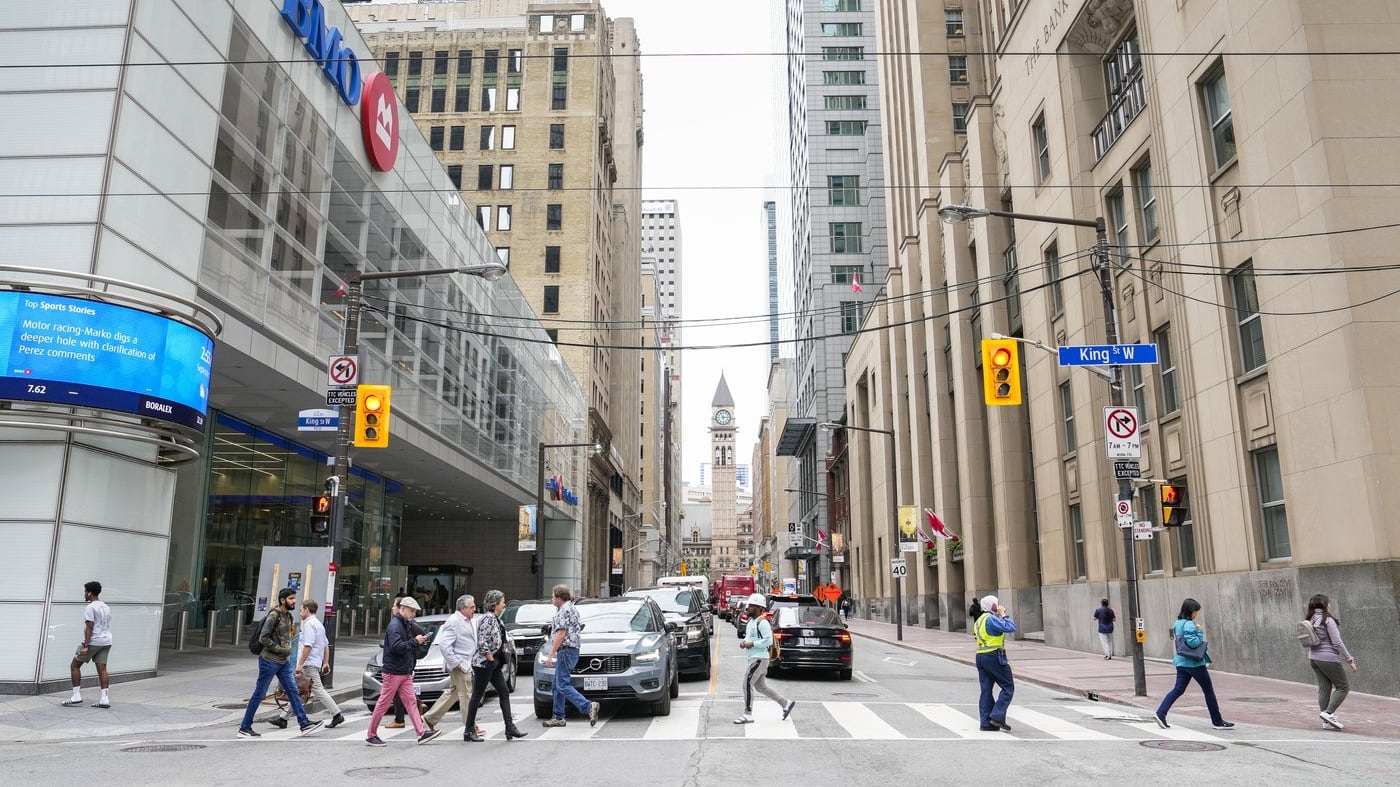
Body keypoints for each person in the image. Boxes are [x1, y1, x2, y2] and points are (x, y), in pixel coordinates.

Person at [238, 588, 324, 738]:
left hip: (283, 662)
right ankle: (244, 728)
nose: (294, 601)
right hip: (269, 661)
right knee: (259, 694)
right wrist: (280, 649)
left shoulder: (289, 616)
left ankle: (304, 723)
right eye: (291, 598)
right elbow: (263, 638)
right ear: (283, 600)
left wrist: (287, 652)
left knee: (293, 691)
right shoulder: (274, 615)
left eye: (294, 598)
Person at [365, 597, 443, 746]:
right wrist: (415, 641)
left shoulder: (403, 624)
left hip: (401, 671)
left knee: (410, 702)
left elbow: (399, 646)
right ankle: (371, 734)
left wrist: (415, 642)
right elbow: (397, 647)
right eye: (412, 611)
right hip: (394, 671)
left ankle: (421, 733)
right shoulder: (396, 625)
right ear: (403, 609)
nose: (413, 614)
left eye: (414, 611)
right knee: (384, 703)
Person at [1152, 598, 1234, 730]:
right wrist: (1200, 631)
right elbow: (1194, 643)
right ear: (1190, 611)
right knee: (1208, 691)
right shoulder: (1189, 624)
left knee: (1178, 689)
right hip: (1194, 663)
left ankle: (1160, 713)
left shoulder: (1178, 623)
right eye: (1196, 611)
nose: (1197, 614)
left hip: (1181, 662)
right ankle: (1217, 721)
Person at [270, 599, 344, 729]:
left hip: (309, 663)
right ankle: (283, 718)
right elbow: (325, 645)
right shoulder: (319, 624)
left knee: (317, 690)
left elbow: (308, 646)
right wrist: (325, 662)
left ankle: (337, 714)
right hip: (314, 662)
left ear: (307, 610)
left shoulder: (309, 625)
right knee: (297, 690)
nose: (300, 613)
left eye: (301, 610)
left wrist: (300, 664)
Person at [464, 590, 528, 741]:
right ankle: (468, 731)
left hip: (493, 663)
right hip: (484, 663)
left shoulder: (495, 618)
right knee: (477, 695)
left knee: (504, 691)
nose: (504, 604)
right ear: (495, 604)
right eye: (502, 602)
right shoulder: (488, 619)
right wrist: (490, 657)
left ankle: (509, 727)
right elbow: (482, 641)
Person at [422, 594, 484, 739]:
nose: (474, 609)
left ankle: (430, 718)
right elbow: (444, 645)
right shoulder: (454, 621)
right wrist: (456, 663)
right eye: (471, 607)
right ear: (463, 608)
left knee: (454, 693)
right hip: (460, 665)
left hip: (465, 663)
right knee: (466, 695)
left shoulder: (468, 620)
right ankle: (470, 726)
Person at [541, 584, 598, 728]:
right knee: (556, 685)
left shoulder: (564, 610)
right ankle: (558, 716)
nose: (551, 598)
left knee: (562, 684)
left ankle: (588, 706)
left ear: (559, 597)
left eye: (553, 596)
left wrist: (551, 654)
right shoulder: (571, 608)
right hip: (571, 650)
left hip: (566, 650)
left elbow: (561, 633)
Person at [733, 593, 796, 725]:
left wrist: (752, 644)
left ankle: (747, 714)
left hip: (759, 658)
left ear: (758, 608)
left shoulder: (763, 623)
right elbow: (751, 638)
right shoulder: (751, 622)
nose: (748, 608)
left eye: (751, 606)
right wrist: (744, 643)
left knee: (747, 683)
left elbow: (768, 641)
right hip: (754, 658)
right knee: (761, 687)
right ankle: (785, 703)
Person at [1304, 593, 1358, 730]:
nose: (1330, 605)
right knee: (1343, 687)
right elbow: (1337, 642)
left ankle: (1326, 721)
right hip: (1328, 659)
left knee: (1324, 687)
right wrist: (1349, 659)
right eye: (1328, 602)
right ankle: (1328, 713)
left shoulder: (1310, 619)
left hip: (1313, 658)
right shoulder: (1327, 620)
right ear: (1324, 605)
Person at [63, 581, 113, 709]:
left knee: (74, 665)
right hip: (106, 641)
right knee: (102, 669)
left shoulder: (90, 607)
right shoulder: (105, 606)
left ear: (90, 593)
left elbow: (89, 626)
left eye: (85, 591)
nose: (84, 594)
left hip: (94, 641)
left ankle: (76, 696)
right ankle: (104, 699)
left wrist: (85, 645)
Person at [973, 595, 1016, 732]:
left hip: (980, 656)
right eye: (996, 604)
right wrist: (1004, 615)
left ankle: (986, 722)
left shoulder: (979, 620)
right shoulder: (991, 619)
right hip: (993, 656)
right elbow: (1011, 627)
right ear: (992, 606)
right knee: (1008, 687)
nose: (998, 606)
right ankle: (997, 716)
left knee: (986, 689)